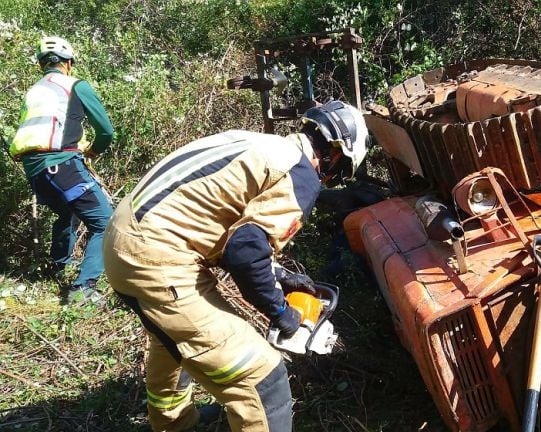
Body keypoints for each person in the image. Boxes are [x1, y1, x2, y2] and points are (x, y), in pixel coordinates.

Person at [102, 101, 368, 431]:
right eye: (336, 173)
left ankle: (175, 423)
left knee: (171, 339)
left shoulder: (263, 145)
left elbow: (228, 229)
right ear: (335, 154)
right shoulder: (301, 173)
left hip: (123, 240)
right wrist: (281, 313)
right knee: (264, 376)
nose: (328, 179)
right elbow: (244, 251)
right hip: (155, 260)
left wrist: (280, 275)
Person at [9, 36, 114, 304]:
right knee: (105, 223)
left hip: (35, 171)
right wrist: (92, 151)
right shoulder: (75, 85)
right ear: (69, 63)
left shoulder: (33, 91)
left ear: (42, 65)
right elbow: (106, 131)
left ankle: (58, 267)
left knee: (66, 212)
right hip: (62, 166)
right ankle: (84, 289)